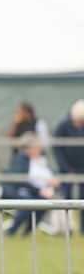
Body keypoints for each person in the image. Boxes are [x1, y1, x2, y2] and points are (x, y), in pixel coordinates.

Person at [2, 135, 59, 237]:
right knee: (27, 204)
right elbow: (19, 180)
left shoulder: (40, 161)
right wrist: (38, 190)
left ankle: (27, 232)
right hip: (17, 191)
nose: (39, 149)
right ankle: (11, 232)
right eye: (36, 147)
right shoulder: (19, 160)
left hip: (35, 192)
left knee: (44, 203)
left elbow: (47, 176)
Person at [52, 99, 84, 234]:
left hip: (82, 169)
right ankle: (66, 228)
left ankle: (83, 229)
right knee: (66, 199)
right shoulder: (63, 126)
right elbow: (57, 148)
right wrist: (66, 168)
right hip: (68, 170)